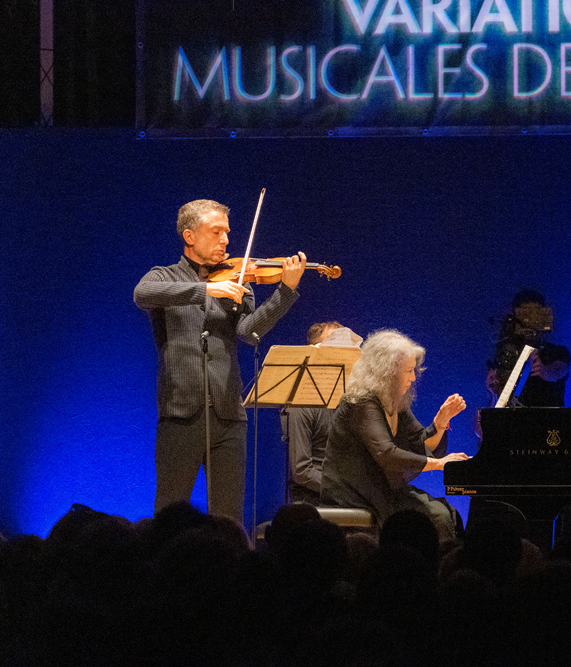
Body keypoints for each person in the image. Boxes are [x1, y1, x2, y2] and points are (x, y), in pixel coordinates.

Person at [133, 199, 306, 524]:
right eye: (216, 232)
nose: (225, 240)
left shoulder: (238, 280)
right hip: (181, 414)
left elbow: (248, 332)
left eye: (227, 232)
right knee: (170, 513)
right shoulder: (164, 275)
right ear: (189, 236)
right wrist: (206, 290)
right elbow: (143, 294)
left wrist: (285, 292)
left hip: (228, 417)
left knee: (228, 517)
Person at [321, 329, 468, 542]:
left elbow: (421, 444)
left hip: (383, 489)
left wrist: (440, 423)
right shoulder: (362, 403)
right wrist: (438, 464)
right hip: (356, 492)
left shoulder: (394, 400)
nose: (413, 377)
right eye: (408, 371)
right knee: (436, 517)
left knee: (446, 513)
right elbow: (386, 454)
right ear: (388, 372)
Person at [283, 321, 343, 505]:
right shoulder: (301, 402)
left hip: (344, 491)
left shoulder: (350, 400)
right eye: (332, 346)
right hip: (314, 497)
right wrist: (345, 490)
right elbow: (302, 471)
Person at [487, 289, 571, 409]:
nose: (530, 323)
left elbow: (559, 369)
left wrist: (546, 372)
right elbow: (495, 402)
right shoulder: (507, 354)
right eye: (525, 316)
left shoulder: (556, 352)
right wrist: (494, 390)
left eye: (536, 315)